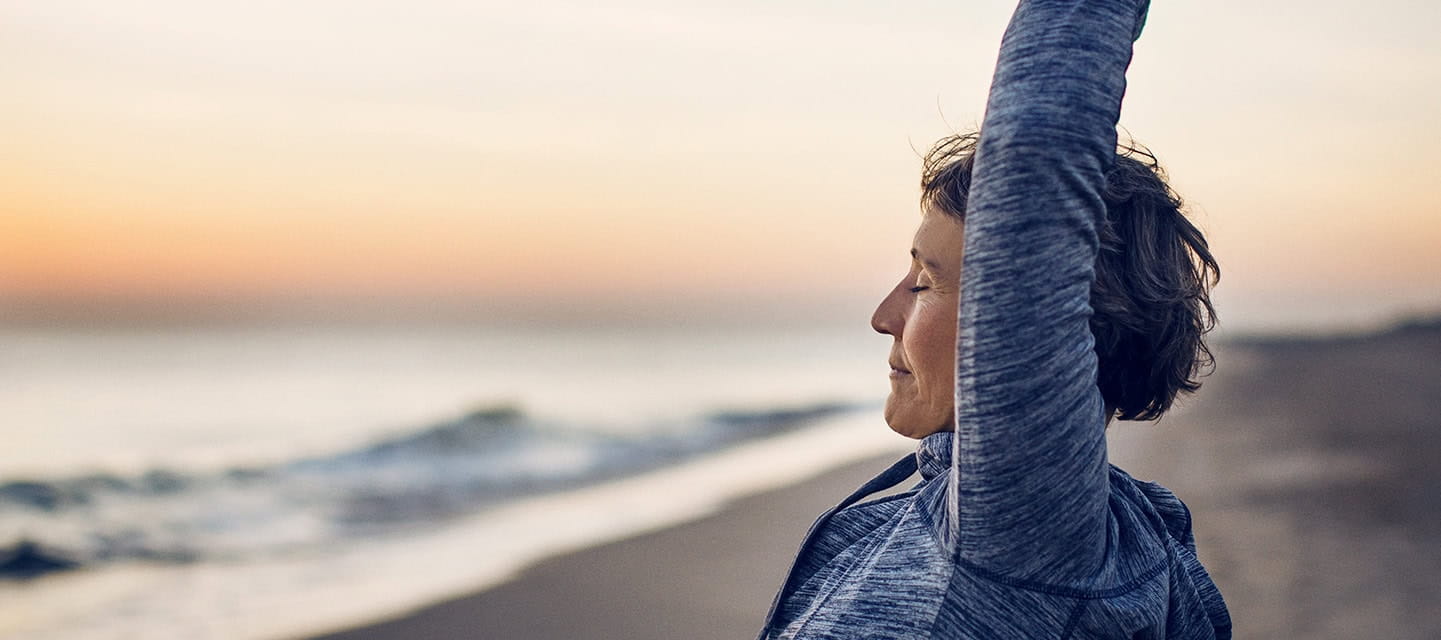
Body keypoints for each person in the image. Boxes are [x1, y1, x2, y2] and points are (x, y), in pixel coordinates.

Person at [754, 1, 1232, 638]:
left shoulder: (1024, 528)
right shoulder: (967, 523)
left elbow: (1034, 162)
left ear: (1032, 332)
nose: (883, 316)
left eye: (924, 283)